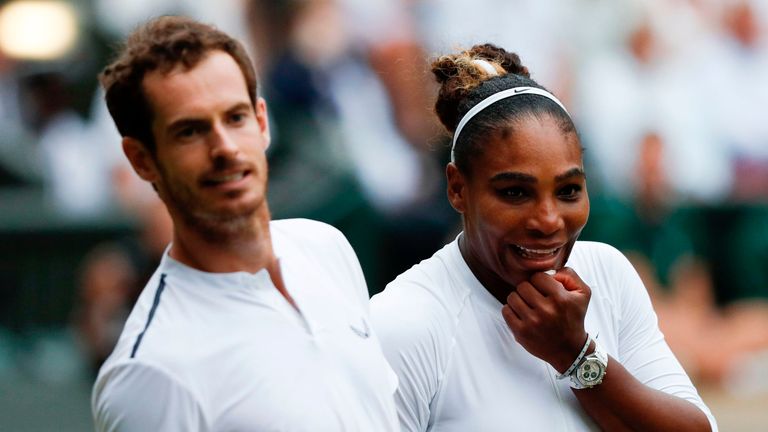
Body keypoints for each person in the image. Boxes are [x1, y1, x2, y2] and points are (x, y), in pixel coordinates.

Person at [370, 43, 718, 431]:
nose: (549, 220)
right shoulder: (404, 325)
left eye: (568, 191)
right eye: (515, 192)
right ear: (457, 189)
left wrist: (577, 355)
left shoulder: (608, 274)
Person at [90, 16, 398, 431]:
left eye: (235, 118)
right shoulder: (151, 372)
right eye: (190, 131)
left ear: (262, 122)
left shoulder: (326, 248)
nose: (225, 148)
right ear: (142, 159)